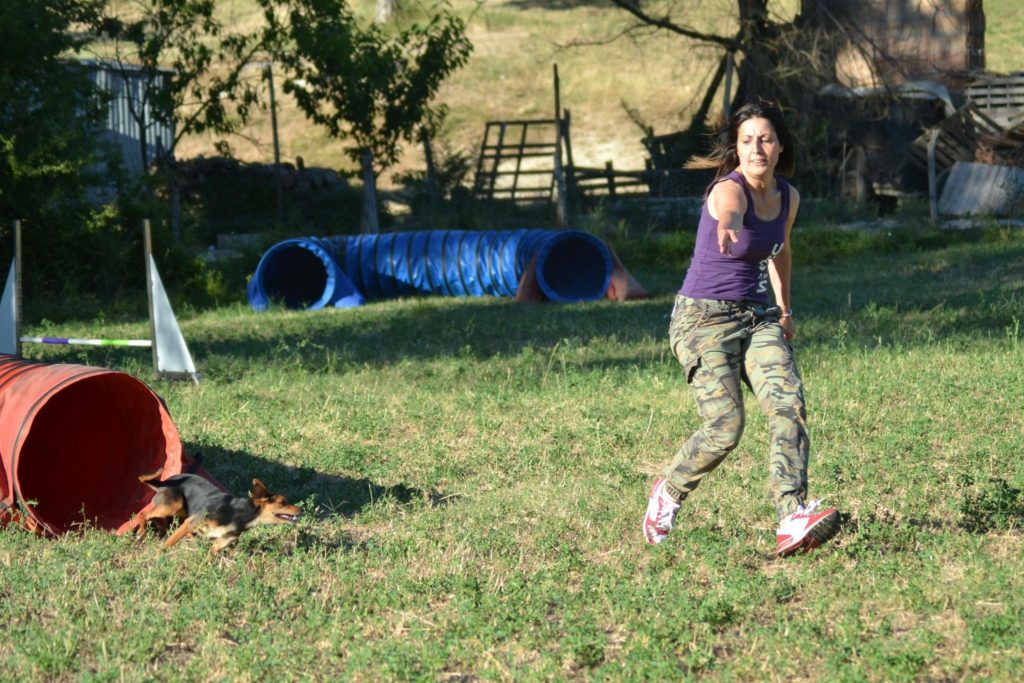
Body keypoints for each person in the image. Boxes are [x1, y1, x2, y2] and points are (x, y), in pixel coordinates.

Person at [642, 100, 839, 555]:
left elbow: (781, 251)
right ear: (736, 147)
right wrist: (727, 226)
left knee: (788, 403)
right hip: (702, 320)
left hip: (756, 316)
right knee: (726, 426)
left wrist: (785, 310)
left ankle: (792, 516)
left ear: (779, 145)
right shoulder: (727, 192)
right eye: (747, 140)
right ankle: (667, 494)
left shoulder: (788, 196)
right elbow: (728, 213)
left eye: (765, 139)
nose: (757, 149)